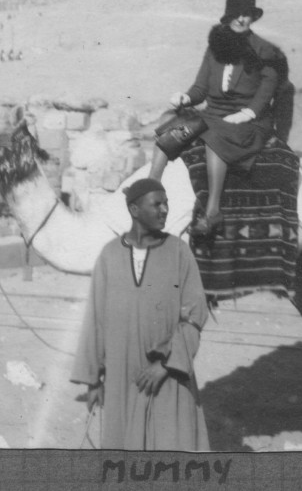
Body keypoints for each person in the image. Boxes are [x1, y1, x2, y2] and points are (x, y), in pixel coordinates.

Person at [71, 178, 210, 450]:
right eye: (156, 204)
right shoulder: (109, 255)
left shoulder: (180, 252)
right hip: (122, 375)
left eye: (166, 203)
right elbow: (95, 321)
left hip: (169, 373)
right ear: (134, 210)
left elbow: (194, 315)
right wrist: (93, 381)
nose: (164, 210)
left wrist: (167, 365)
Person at [149, 0, 289, 235]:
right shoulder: (215, 48)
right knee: (169, 124)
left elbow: (267, 89)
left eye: (246, 15)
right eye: (236, 14)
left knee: (214, 134)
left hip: (250, 120)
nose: (241, 19)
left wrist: (248, 113)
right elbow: (201, 88)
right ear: (228, 16)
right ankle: (151, 189)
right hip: (214, 114)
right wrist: (186, 97)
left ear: (253, 18)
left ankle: (213, 211)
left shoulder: (264, 51)